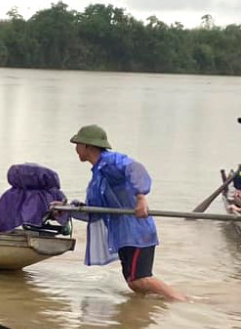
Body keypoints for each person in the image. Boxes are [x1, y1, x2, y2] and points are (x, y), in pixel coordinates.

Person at [51, 123, 188, 301]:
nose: (76, 149)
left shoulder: (110, 162)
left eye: (77, 144)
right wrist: (67, 210)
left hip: (137, 232)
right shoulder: (97, 178)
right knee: (134, 283)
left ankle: (183, 301)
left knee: (140, 280)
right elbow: (97, 213)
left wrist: (141, 197)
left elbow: (135, 168)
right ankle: (152, 310)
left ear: (87, 146)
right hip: (124, 236)